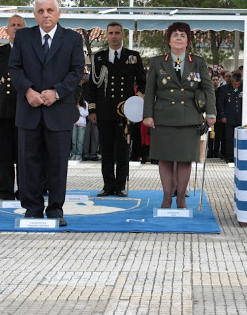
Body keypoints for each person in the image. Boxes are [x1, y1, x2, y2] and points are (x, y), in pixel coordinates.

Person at [9, 0, 85, 225]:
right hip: (29, 110)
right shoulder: (23, 36)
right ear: (35, 14)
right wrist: (28, 91)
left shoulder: (72, 39)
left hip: (59, 111)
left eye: (50, 10)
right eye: (40, 11)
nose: (45, 15)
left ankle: (55, 209)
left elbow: (77, 70)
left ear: (59, 13)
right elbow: (14, 67)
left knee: (57, 163)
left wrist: (58, 92)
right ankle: (32, 208)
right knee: (29, 163)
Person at [143, 21, 216, 209]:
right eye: (174, 34)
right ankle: (167, 197)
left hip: (189, 119)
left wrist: (211, 113)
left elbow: (208, 89)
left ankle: (181, 198)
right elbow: (150, 91)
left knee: (185, 160)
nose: (178, 38)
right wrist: (148, 115)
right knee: (165, 159)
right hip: (163, 118)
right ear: (168, 39)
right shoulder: (158, 61)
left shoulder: (198, 62)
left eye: (182, 35)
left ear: (188, 41)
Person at [88, 22, 146, 197]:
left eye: (117, 33)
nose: (114, 36)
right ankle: (108, 185)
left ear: (122, 35)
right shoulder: (98, 57)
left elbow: (143, 81)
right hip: (104, 110)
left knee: (122, 149)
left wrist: (137, 102)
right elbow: (92, 85)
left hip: (124, 111)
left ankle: (120, 185)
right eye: (111, 33)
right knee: (106, 150)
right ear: (106, 35)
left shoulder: (133, 57)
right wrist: (92, 109)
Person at [0, 14, 25, 205]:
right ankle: (5, 193)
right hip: (3, 111)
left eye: (19, 25)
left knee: (26, 154)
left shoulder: (31, 52)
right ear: (6, 30)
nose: (16, 28)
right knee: (5, 155)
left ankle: (26, 191)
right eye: (12, 25)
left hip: (26, 111)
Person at [218, 71, 243, 163]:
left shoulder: (244, 88)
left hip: (240, 117)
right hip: (229, 117)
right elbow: (221, 103)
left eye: (238, 84)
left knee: (240, 137)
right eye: (235, 84)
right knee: (229, 138)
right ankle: (230, 156)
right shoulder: (225, 89)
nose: (236, 86)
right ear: (232, 81)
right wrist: (222, 115)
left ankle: (240, 155)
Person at [71, 96, 88, 160]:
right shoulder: (73, 103)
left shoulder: (85, 103)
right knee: (74, 140)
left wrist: (79, 108)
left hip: (82, 124)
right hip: (74, 123)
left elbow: (85, 114)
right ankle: (73, 154)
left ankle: (79, 154)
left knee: (80, 141)